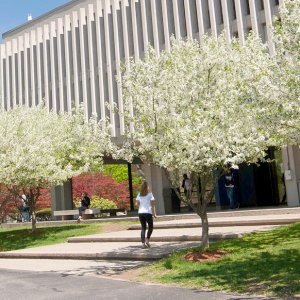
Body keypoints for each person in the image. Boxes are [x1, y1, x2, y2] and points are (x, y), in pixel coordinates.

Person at [136, 181, 157, 249]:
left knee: (143, 228)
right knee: (150, 226)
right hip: (148, 212)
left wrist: (138, 204)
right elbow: (152, 204)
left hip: (141, 212)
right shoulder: (150, 194)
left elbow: (136, 204)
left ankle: (143, 244)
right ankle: (147, 239)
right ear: (147, 186)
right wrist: (154, 213)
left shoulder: (139, 194)